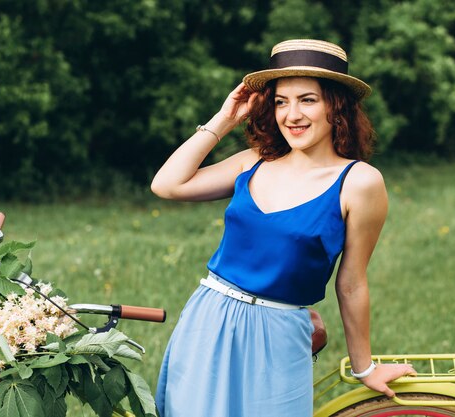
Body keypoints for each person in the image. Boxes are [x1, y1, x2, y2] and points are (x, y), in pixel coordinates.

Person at [150, 39, 416, 417]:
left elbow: (352, 282)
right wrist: (223, 120)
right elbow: (167, 185)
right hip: (208, 320)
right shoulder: (254, 162)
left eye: (307, 99)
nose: (292, 114)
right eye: (280, 101)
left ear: (335, 106)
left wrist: (365, 368)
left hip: (281, 332)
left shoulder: (359, 182)